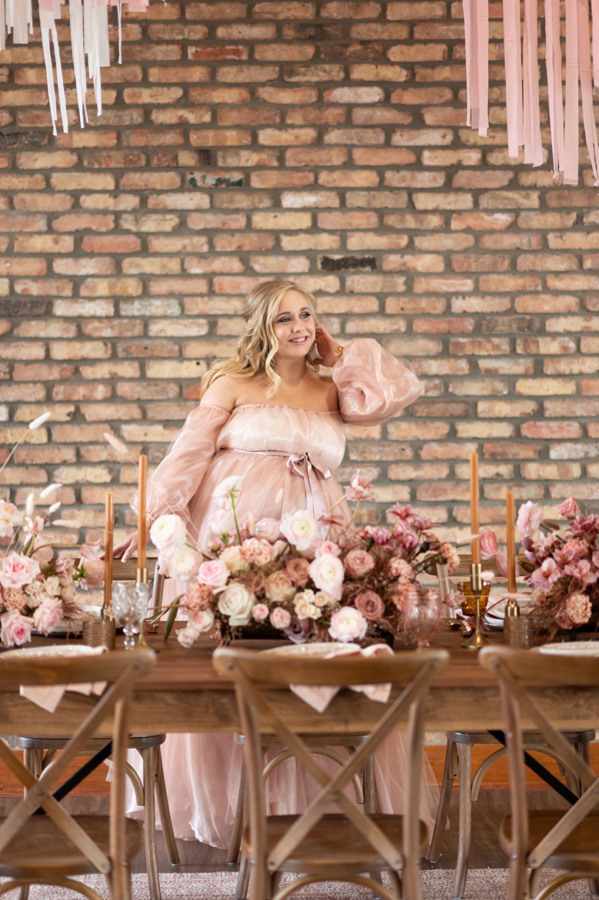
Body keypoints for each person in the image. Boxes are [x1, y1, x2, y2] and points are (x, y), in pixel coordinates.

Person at [115, 279, 436, 849]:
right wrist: (154, 522)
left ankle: (313, 807)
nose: (299, 327)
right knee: (236, 659)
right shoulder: (232, 382)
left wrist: (340, 356)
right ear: (262, 327)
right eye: (284, 318)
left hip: (319, 537)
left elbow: (390, 393)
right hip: (236, 533)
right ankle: (241, 808)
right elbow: (187, 455)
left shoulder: (332, 389)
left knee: (312, 655)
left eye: (306, 315)